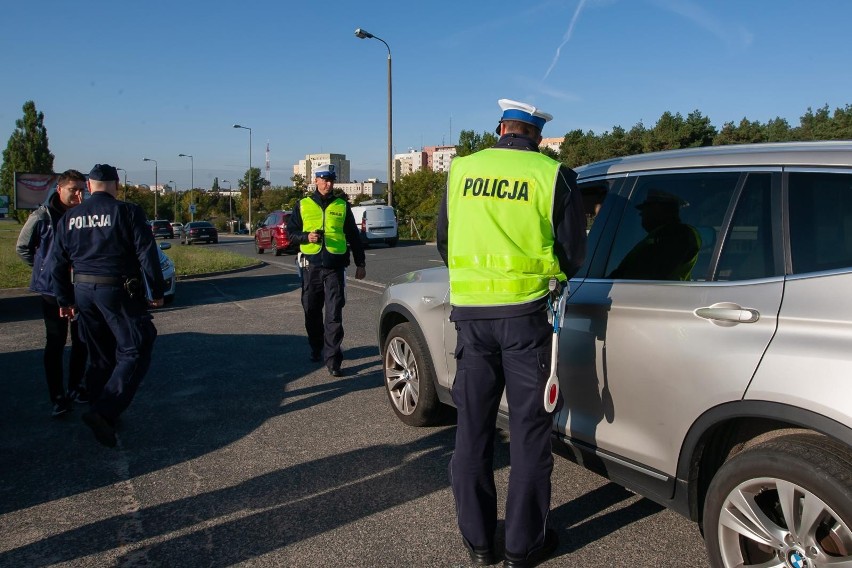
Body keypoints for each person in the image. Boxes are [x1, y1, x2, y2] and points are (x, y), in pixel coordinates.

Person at [436, 99, 587, 568]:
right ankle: (523, 547)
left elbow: (444, 241)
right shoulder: (552, 174)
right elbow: (572, 254)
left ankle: (480, 543)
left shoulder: (461, 171)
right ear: (537, 136)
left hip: (471, 320)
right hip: (525, 319)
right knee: (528, 435)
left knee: (473, 431)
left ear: (501, 128)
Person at [49, 163, 165, 448]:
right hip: (116, 289)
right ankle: (104, 411)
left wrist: (64, 299)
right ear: (117, 186)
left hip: (83, 291)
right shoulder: (127, 211)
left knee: (101, 355)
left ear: (89, 187)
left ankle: (103, 412)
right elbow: (146, 253)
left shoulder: (70, 217)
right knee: (136, 346)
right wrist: (156, 291)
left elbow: (56, 263)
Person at [16, 169, 90, 417]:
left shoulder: (84, 214)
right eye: (74, 190)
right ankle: (57, 396)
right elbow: (23, 248)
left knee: (82, 341)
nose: (79, 195)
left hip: (80, 287)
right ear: (60, 189)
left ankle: (76, 387)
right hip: (51, 290)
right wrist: (45, 269)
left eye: (82, 190)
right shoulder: (42, 216)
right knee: (56, 342)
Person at [287, 164, 366, 377]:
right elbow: (291, 234)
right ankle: (316, 346)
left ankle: (333, 360)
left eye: (331, 179)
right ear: (316, 181)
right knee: (311, 310)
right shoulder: (302, 205)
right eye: (324, 179)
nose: (328, 183)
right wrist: (306, 237)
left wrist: (361, 263)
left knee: (334, 314)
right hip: (310, 266)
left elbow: (354, 237)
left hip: (335, 267)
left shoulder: (341, 205)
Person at [608, 189, 701, 280]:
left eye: (645, 209)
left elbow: (649, 274)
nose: (641, 214)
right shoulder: (659, 235)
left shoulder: (678, 235)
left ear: (658, 208)